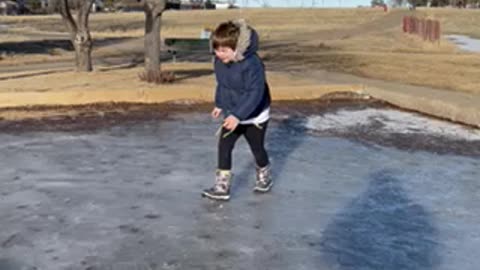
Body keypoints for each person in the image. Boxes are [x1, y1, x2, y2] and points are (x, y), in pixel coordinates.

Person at [202, 19, 272, 201]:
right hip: (233, 112)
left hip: (255, 115)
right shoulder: (219, 62)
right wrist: (219, 104)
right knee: (224, 146)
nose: (219, 54)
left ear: (237, 48)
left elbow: (255, 93)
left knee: (257, 149)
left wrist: (238, 116)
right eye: (216, 49)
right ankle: (222, 187)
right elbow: (223, 85)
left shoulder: (252, 64)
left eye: (224, 50)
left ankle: (264, 174)